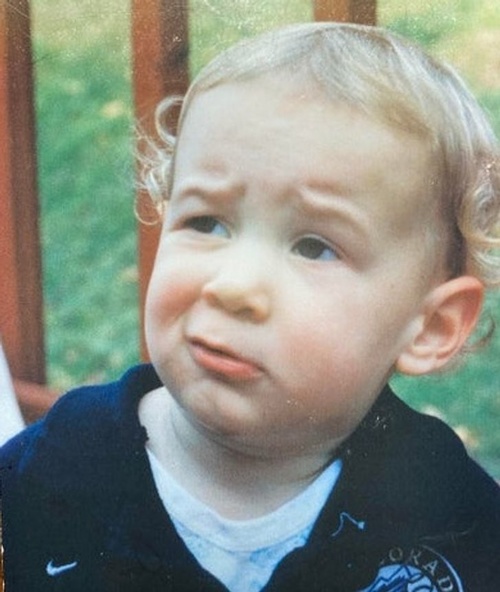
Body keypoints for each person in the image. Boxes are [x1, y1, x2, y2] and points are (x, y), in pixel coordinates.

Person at [1, 22, 500, 592]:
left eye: (314, 247)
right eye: (206, 222)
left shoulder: (454, 519)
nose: (233, 286)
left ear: (431, 326)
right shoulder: (44, 478)